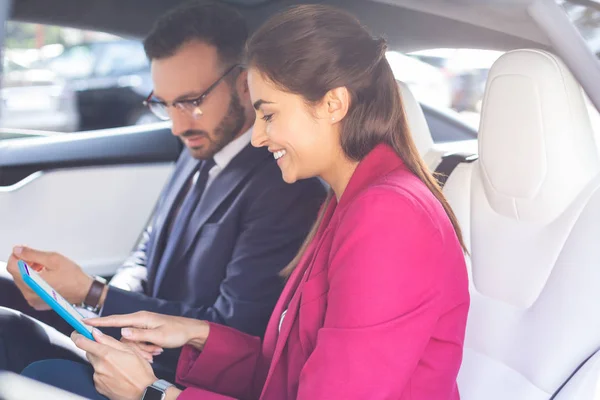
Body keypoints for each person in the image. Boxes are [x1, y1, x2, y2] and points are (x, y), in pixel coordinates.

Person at [22, 4, 470, 399]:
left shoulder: (389, 216)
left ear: (333, 104)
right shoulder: (348, 203)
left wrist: (153, 394)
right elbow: (287, 372)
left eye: (270, 114)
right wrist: (196, 335)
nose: (257, 136)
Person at [0, 1, 326, 379]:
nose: (177, 125)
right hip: (129, 352)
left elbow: (234, 331)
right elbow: (148, 249)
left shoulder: (285, 190)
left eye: (191, 102)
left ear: (244, 82)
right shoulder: (198, 146)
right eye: (165, 104)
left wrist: (94, 293)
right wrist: (94, 302)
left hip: (173, 377)